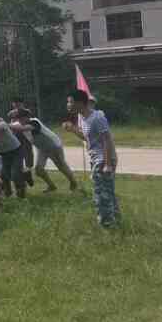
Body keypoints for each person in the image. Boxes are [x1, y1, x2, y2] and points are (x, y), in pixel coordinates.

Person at [66, 90, 120, 228]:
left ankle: (107, 225)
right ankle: (116, 220)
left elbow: (107, 140)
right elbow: (87, 138)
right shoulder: (82, 117)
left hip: (103, 159)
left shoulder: (97, 117)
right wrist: (73, 129)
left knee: (100, 195)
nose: (68, 105)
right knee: (108, 192)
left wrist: (107, 164)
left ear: (80, 103)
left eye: (70, 102)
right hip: (96, 158)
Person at [11, 109, 79, 193]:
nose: (19, 120)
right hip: (42, 148)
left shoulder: (34, 122)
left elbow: (23, 128)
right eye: (18, 118)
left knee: (61, 166)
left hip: (53, 146)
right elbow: (12, 127)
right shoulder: (19, 124)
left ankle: (73, 183)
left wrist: (7, 125)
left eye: (21, 118)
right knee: (39, 170)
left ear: (27, 117)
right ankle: (52, 186)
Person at [7, 98, 35, 188]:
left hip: (25, 136)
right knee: (18, 159)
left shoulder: (27, 111)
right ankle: (23, 175)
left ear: (22, 103)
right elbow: (11, 120)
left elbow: (27, 122)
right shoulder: (11, 113)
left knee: (28, 156)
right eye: (14, 104)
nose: (16, 105)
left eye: (18, 104)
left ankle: (28, 172)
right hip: (16, 136)